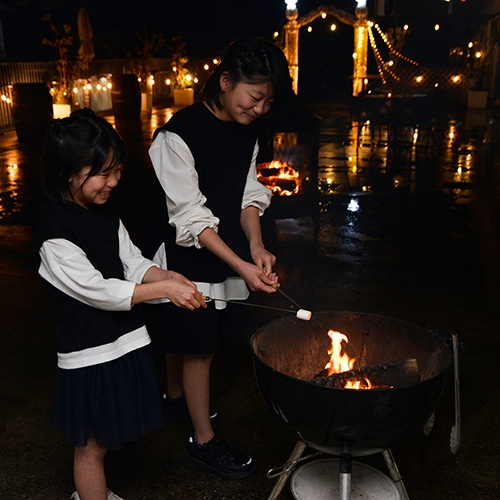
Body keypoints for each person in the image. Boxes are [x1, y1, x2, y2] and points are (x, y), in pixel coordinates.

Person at [32, 108, 206, 500]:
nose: (115, 181)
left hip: (123, 344)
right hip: (88, 354)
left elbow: (131, 261)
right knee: (91, 448)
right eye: (103, 173)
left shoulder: (104, 211)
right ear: (67, 171)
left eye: (117, 170)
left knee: (104, 442)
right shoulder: (53, 231)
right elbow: (99, 291)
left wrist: (168, 278)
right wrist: (164, 292)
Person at [140, 37, 294, 480]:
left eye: (268, 101)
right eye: (255, 97)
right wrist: (241, 265)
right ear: (226, 82)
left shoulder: (247, 132)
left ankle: (175, 401)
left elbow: (247, 196)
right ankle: (202, 443)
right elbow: (189, 215)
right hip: (180, 249)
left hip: (218, 241)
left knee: (189, 331)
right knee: (198, 344)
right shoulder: (176, 135)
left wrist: (257, 247)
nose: (261, 109)